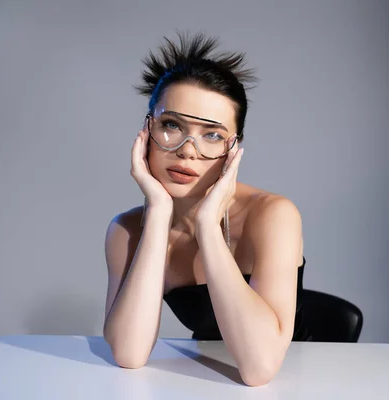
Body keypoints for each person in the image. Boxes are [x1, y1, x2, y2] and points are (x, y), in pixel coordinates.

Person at [102, 32, 310, 387]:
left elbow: (259, 369)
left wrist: (208, 227)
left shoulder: (273, 215)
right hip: (207, 377)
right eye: (172, 125)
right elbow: (129, 353)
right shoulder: (128, 229)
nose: (188, 150)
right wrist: (157, 212)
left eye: (212, 135)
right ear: (147, 129)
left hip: (310, 370)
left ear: (233, 150)